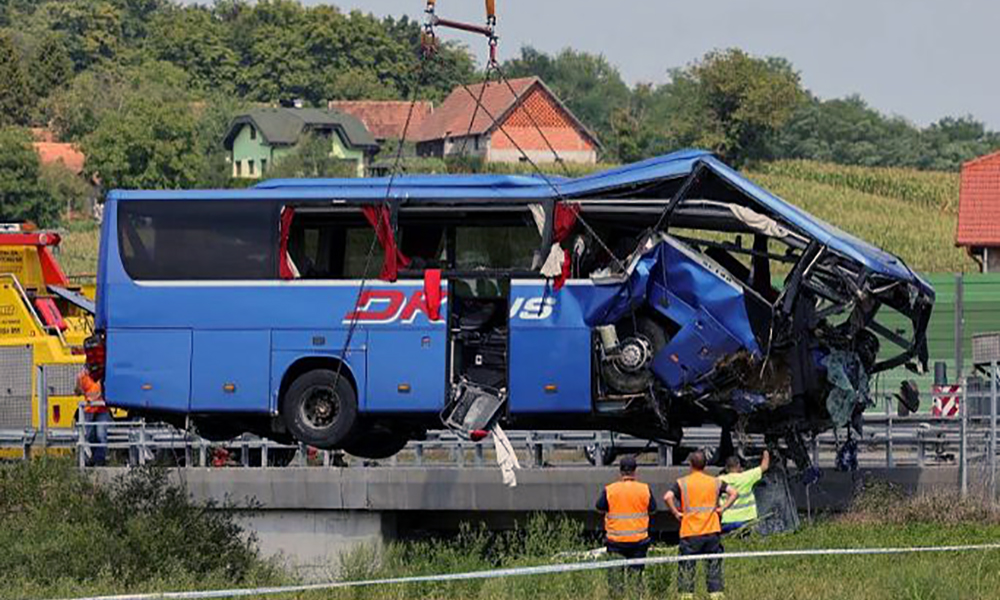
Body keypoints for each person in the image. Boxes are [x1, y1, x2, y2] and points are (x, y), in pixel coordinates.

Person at [665, 450, 738, 600]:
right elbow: (734, 493)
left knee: (687, 568)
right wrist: (722, 508)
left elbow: (668, 497)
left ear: (690, 464)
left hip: (690, 532)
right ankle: (716, 596)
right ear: (705, 465)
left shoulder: (682, 483)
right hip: (712, 531)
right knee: (713, 567)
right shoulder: (715, 481)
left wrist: (676, 513)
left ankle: (686, 597)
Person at [595, 455, 656, 594]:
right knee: (636, 580)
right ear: (635, 471)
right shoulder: (644, 489)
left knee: (616, 582)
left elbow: (599, 507)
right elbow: (653, 509)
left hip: (615, 543)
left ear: (620, 471)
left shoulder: (610, 490)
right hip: (639, 543)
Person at [719, 450, 771, 533]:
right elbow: (764, 466)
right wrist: (766, 451)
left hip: (727, 521)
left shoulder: (720, 480)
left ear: (726, 468)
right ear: (738, 465)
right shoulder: (747, 476)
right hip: (747, 520)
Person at [75, 363, 110, 466]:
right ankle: (91, 458)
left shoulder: (103, 377)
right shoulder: (83, 377)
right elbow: (77, 392)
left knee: (101, 434)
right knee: (89, 435)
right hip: (89, 410)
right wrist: (78, 382)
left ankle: (99, 459)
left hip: (101, 410)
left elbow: (101, 392)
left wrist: (93, 399)